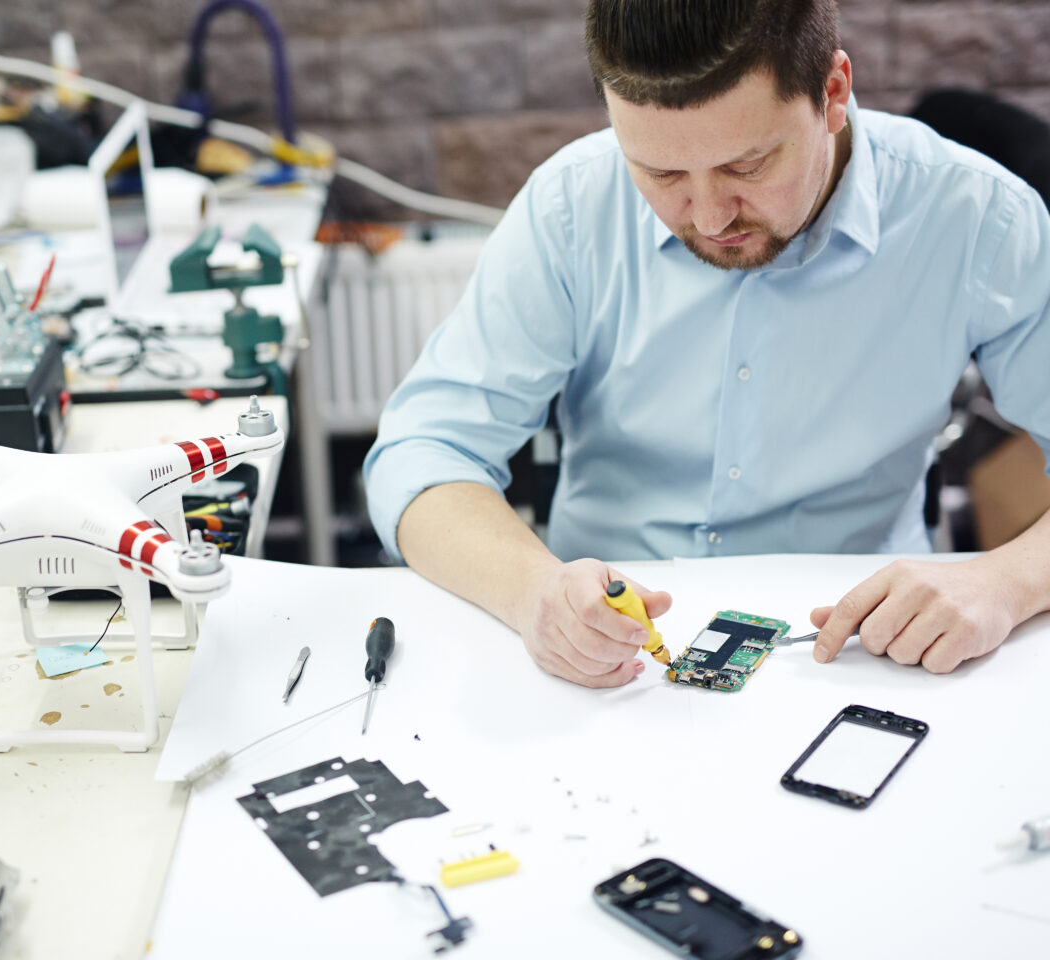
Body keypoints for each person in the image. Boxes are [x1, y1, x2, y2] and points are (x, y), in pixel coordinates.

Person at [362, 0, 1050, 688]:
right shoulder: (571, 206)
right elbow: (423, 452)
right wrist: (531, 592)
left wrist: (1005, 582)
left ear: (833, 93)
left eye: (747, 166)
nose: (711, 217)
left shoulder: (978, 218)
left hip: (860, 652)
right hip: (611, 662)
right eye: (661, 174)